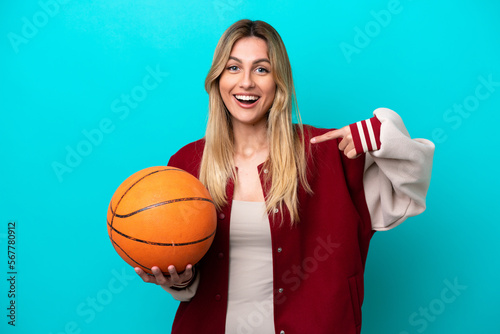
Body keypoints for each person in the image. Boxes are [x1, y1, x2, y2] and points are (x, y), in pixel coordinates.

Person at [134, 19, 434, 334]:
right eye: (233, 68)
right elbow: (193, 270)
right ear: (217, 79)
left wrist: (374, 134)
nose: (246, 82)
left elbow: (413, 179)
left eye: (261, 69)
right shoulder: (186, 165)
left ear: (279, 81)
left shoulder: (330, 153)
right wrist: (183, 280)